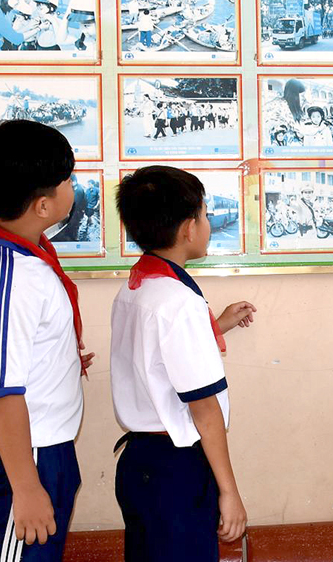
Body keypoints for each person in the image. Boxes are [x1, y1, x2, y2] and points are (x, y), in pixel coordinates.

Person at [0, 120, 96, 562]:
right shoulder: (12, 278)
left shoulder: (2, 241)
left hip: (30, 448)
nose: (73, 186)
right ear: (42, 205)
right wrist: (27, 487)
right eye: (67, 179)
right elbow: (1, 393)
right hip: (20, 458)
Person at [111, 166, 256, 561]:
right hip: (176, 467)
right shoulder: (180, 303)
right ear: (189, 228)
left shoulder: (136, 287)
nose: (208, 223)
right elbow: (204, 408)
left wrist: (216, 326)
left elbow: (157, 360)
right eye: (205, 215)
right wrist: (229, 491)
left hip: (141, 461)